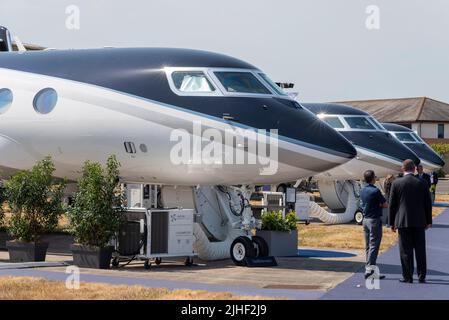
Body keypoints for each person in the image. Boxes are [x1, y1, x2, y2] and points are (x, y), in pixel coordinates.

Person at [389, 159, 432, 283]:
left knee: (405, 250)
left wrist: (391, 222)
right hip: (420, 221)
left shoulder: (396, 183)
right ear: (414, 169)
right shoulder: (423, 183)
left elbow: (392, 204)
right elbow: (427, 204)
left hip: (403, 221)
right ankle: (421, 275)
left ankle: (407, 276)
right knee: (420, 250)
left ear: (403, 169)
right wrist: (429, 221)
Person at [360, 170, 388, 279]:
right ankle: (369, 269)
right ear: (372, 178)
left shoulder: (362, 190)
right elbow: (385, 204)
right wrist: (379, 205)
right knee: (374, 245)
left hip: (365, 219)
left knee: (368, 245)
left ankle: (371, 269)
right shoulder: (376, 191)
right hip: (374, 220)